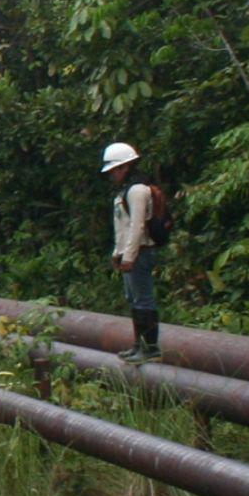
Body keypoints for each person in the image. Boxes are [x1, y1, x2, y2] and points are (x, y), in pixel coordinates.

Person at [102, 141, 160, 363]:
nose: (112, 175)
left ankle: (150, 348)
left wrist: (129, 257)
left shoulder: (137, 190)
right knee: (134, 299)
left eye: (114, 170)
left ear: (124, 167)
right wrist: (118, 253)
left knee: (143, 299)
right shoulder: (124, 191)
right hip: (132, 253)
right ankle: (139, 345)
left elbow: (137, 226)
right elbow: (122, 227)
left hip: (141, 253)